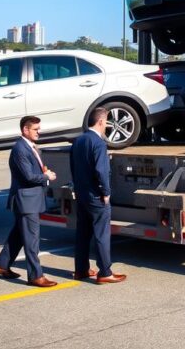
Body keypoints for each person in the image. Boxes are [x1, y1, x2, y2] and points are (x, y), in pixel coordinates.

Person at [0, 115, 58, 287]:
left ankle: (1, 265)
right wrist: (46, 176)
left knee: (19, 235)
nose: (39, 132)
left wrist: (43, 172)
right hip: (26, 201)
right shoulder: (20, 149)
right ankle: (36, 276)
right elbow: (28, 176)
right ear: (25, 129)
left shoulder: (29, 147)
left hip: (29, 200)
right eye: (35, 129)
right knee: (32, 241)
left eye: (39, 129)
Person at [70, 107, 126, 284]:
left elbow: (73, 168)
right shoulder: (99, 143)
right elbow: (101, 171)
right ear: (101, 121)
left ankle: (81, 269)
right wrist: (106, 192)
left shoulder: (78, 141)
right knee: (101, 234)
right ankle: (105, 272)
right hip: (96, 196)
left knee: (83, 234)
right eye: (107, 121)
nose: (107, 125)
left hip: (82, 194)